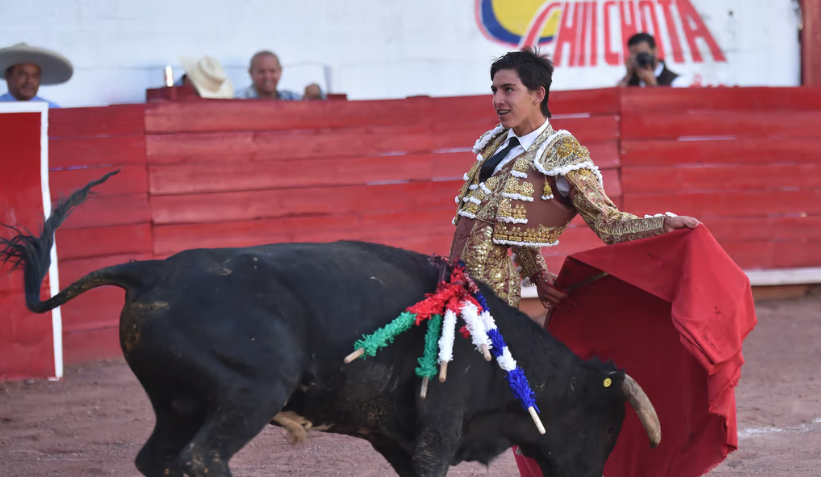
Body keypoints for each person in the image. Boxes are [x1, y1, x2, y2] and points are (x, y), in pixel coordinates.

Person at [451, 46, 700, 477]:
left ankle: (581, 433)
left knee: (483, 390)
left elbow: (608, 224)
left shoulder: (560, 152)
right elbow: (507, 221)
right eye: (494, 89)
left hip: (489, 294)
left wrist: (664, 223)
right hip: (457, 279)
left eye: (509, 89)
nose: (498, 99)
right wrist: (535, 272)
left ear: (538, 93)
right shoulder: (497, 143)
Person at [0, 42, 72, 108]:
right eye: (23, 74)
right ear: (8, 76)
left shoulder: (52, 110)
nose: (29, 81)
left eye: (34, 76)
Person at [617, 32, 687, 88]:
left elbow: (673, 104)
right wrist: (628, 76)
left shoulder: (676, 81)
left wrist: (652, 85)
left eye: (643, 54)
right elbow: (615, 99)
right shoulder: (631, 81)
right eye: (635, 55)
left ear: (655, 51)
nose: (639, 59)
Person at [235, 51, 301, 100]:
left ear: (280, 71)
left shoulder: (290, 98)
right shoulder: (236, 100)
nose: (267, 77)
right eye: (261, 72)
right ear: (251, 73)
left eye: (272, 71)